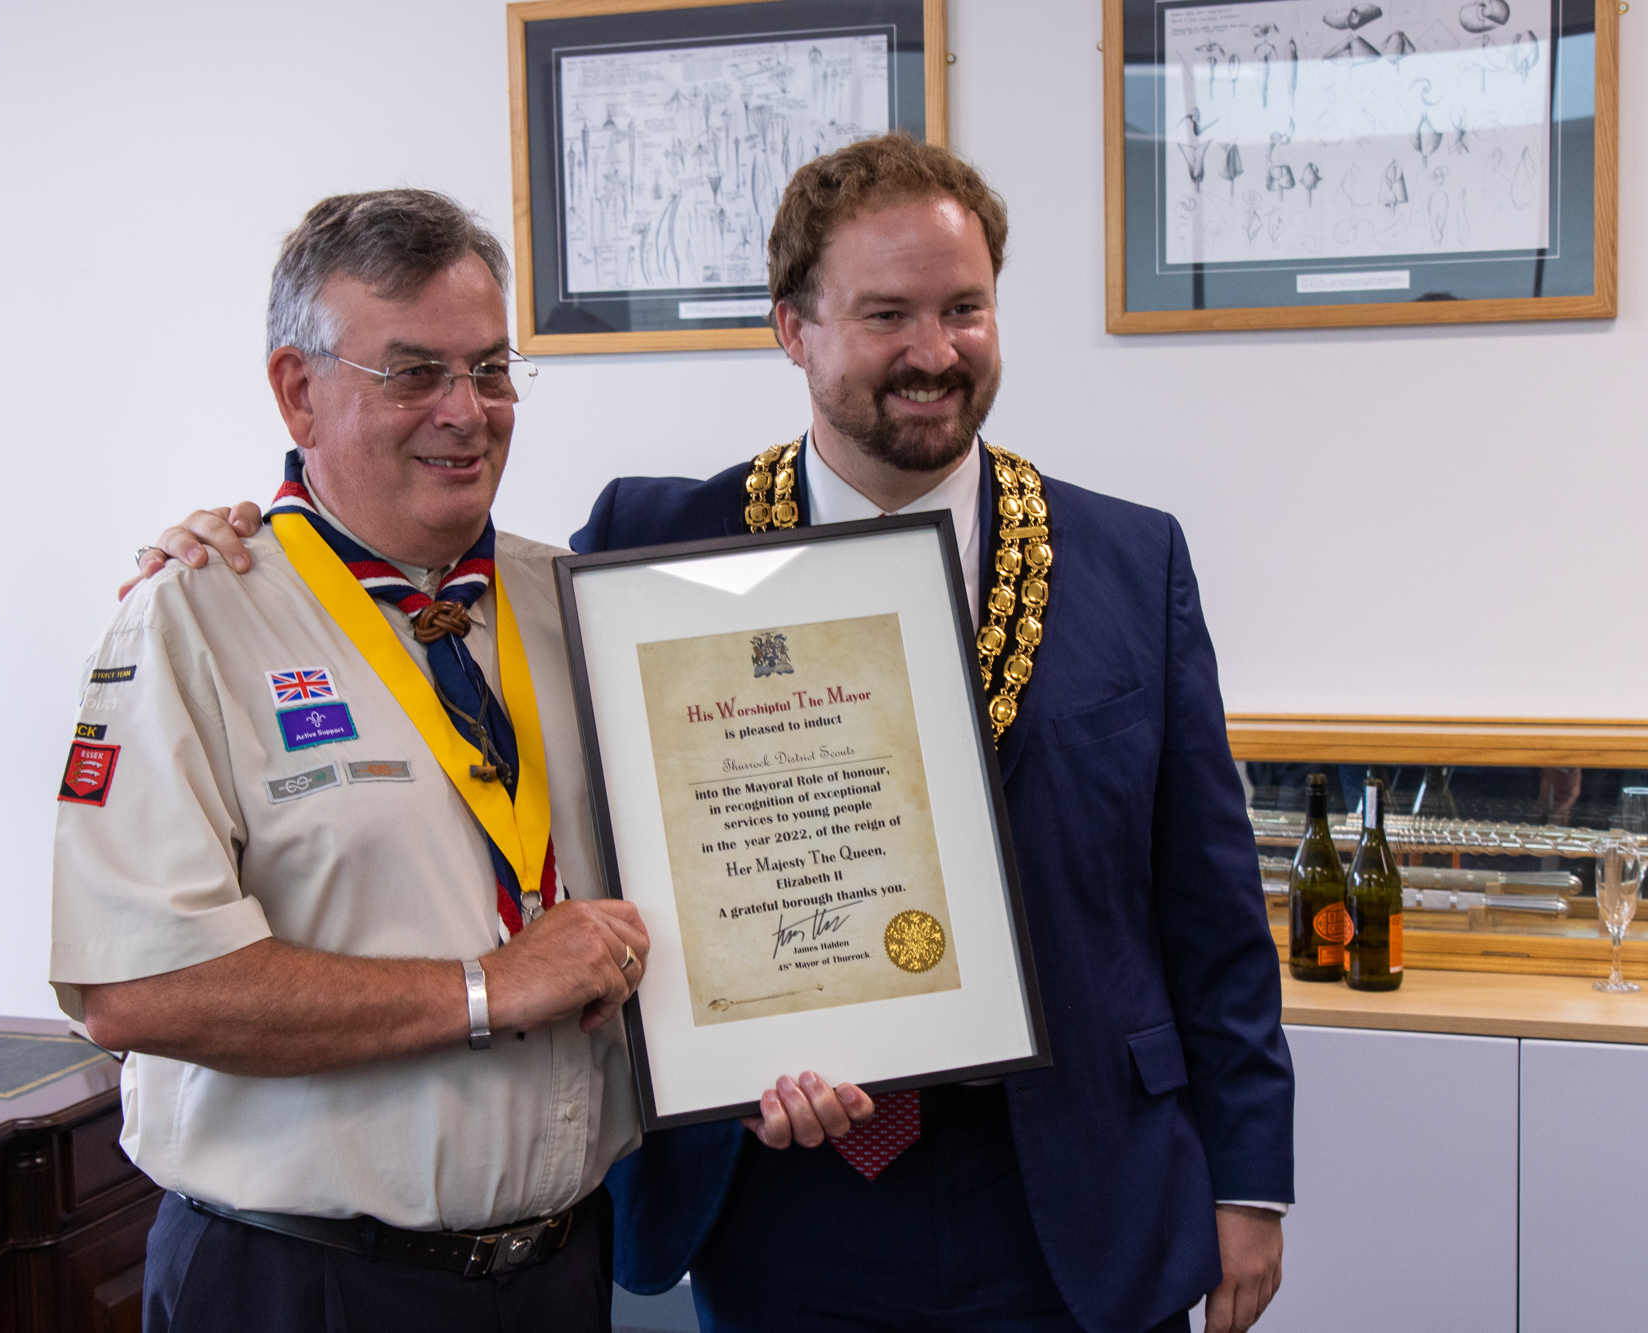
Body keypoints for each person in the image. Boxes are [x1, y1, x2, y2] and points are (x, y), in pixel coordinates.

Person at [130, 136, 1294, 1333]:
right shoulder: (649, 542)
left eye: (964, 308)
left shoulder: (1128, 558)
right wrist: (249, 539)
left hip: (1076, 1183)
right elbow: (429, 599)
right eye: (885, 312)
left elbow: (1206, 903)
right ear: (791, 327)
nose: (932, 352)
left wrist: (1250, 1177)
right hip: (778, 1194)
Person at [52, 188, 665, 1332]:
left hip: (558, 1274)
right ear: (298, 391)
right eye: (413, 373)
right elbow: (133, 985)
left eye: (490, 369)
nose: (465, 412)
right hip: (300, 1285)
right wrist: (490, 987)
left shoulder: (580, 606)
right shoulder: (191, 620)